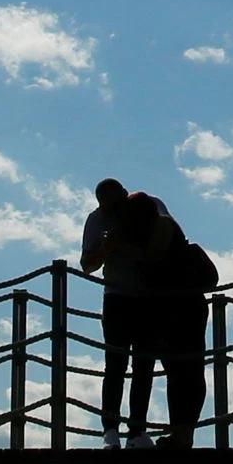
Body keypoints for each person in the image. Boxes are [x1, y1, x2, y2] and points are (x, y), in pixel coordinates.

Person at [116, 192, 218, 446]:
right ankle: (181, 433)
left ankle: (183, 433)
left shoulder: (161, 225)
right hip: (177, 305)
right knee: (181, 371)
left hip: (179, 305)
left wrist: (122, 247)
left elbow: (153, 260)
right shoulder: (157, 225)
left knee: (186, 371)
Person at [80, 179, 142, 443]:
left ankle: (137, 430)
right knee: (116, 365)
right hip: (117, 296)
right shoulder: (96, 221)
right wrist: (106, 250)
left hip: (147, 297)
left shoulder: (146, 210)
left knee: (143, 364)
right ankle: (111, 428)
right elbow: (87, 265)